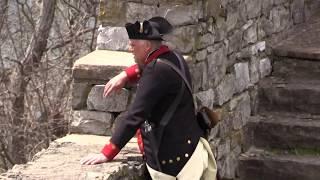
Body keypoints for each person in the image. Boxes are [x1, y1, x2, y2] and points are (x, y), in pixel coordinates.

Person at [80, 16, 217, 180]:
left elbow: (134, 116)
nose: (129, 48)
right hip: (193, 150)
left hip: (176, 167)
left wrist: (107, 152)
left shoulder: (156, 71)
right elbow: (155, 70)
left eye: (133, 45)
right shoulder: (175, 58)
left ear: (147, 46)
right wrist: (126, 74)